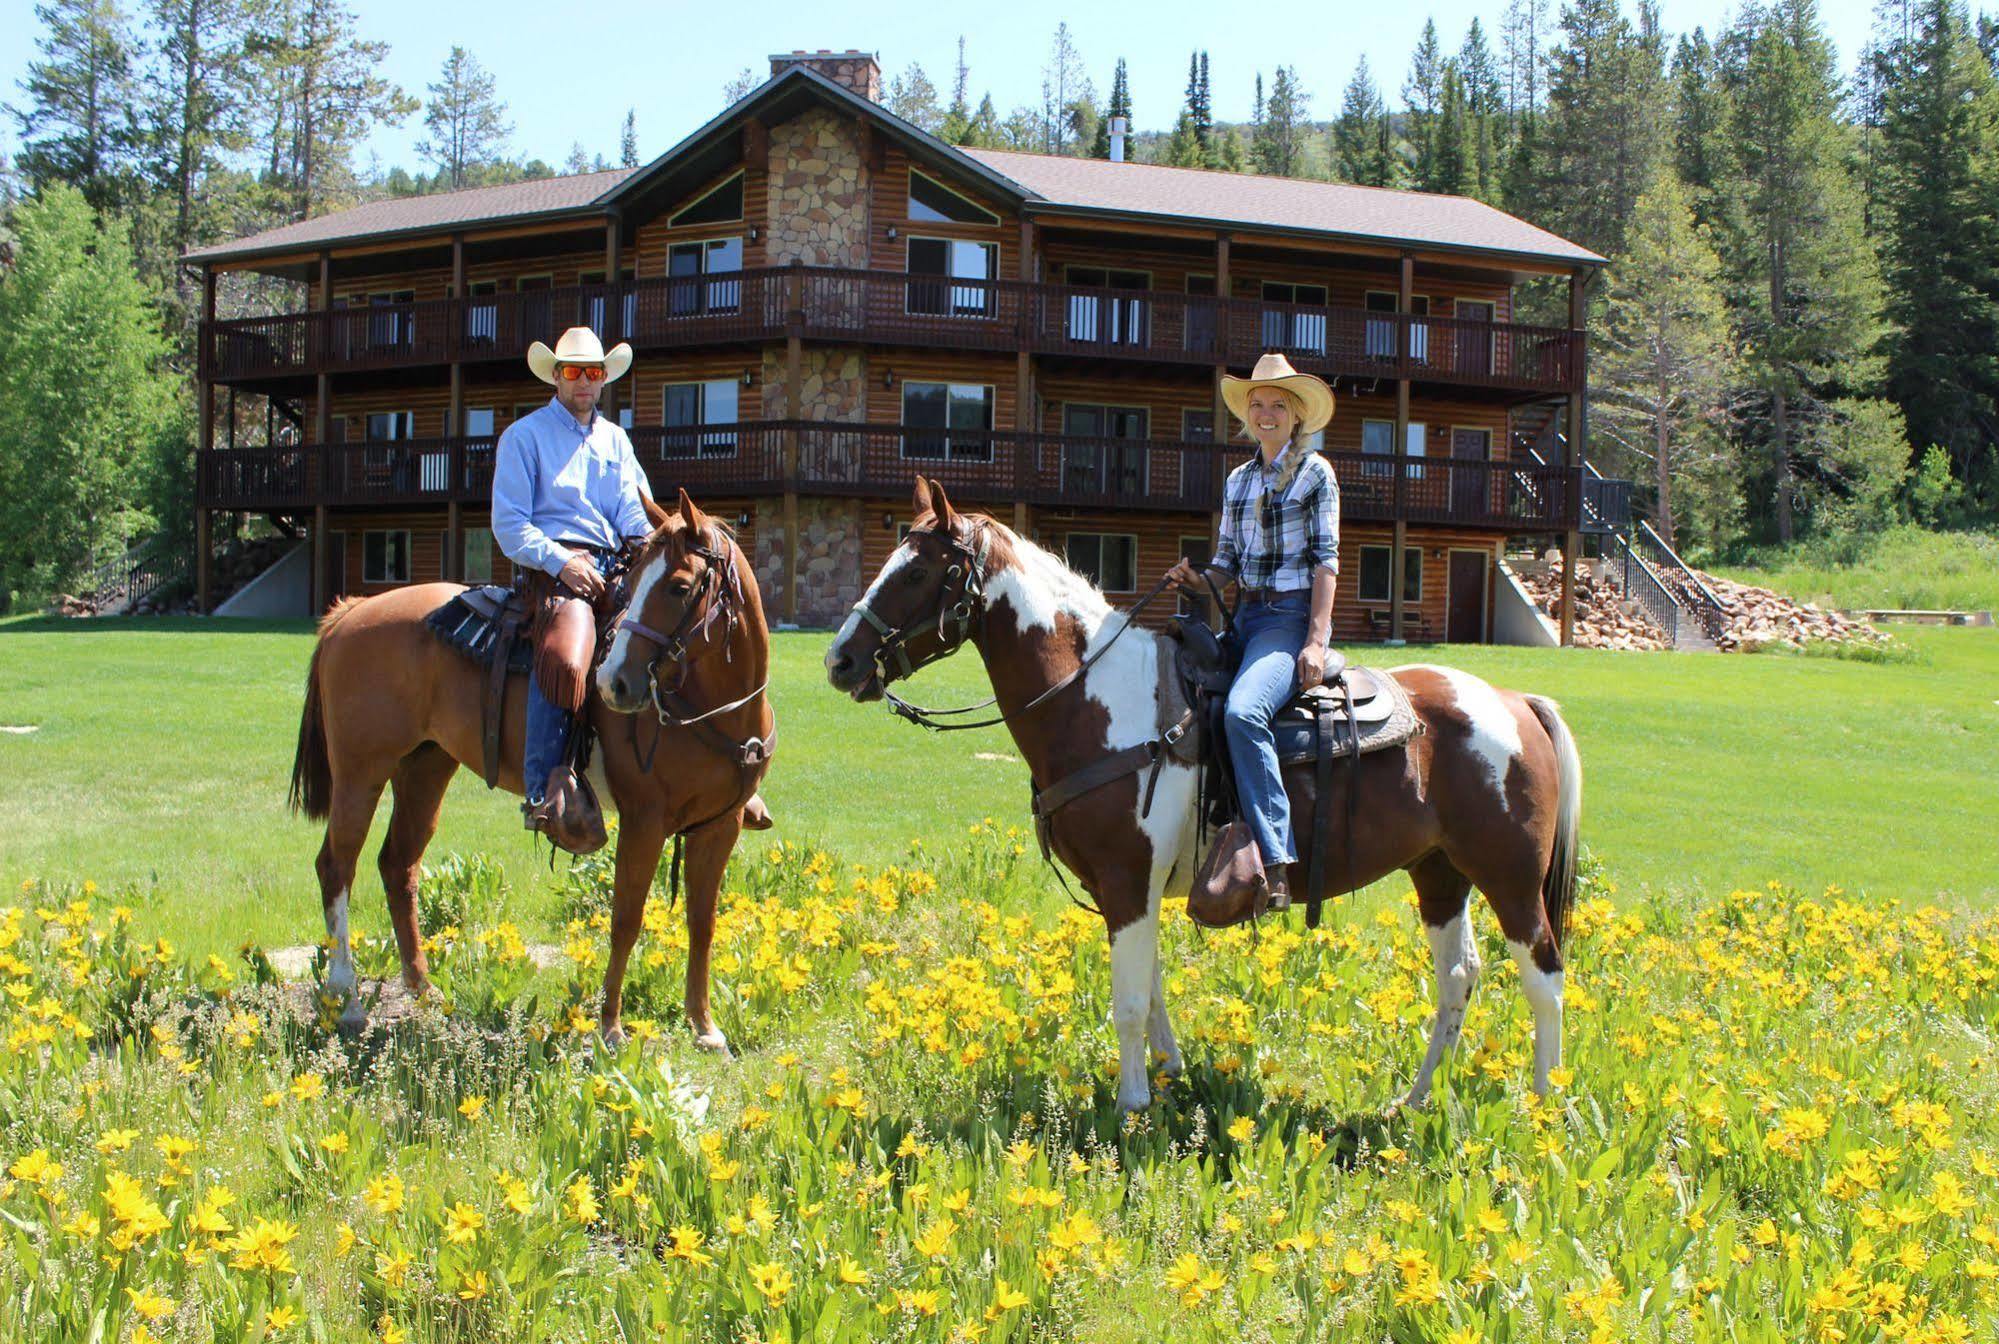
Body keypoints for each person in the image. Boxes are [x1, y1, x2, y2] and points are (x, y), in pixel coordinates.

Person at [492, 326, 771, 849]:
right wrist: (561, 563)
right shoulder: (524, 437)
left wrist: (654, 551)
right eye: (573, 372)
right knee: (568, 652)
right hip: (555, 567)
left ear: (603, 380)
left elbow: (630, 508)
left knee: (673, 630)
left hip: (618, 561)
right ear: (555, 375)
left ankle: (719, 772)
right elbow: (510, 524)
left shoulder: (614, 439)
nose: (583, 382)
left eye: (592, 373)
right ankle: (543, 789)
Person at [1166, 352, 1340, 927]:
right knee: (1178, 692)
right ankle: (1205, 832)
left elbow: (1325, 564)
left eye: (1277, 406)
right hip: (1243, 620)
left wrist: (1314, 641)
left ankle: (1276, 856)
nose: (1265, 414)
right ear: (1248, 416)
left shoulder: (1315, 474)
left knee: (1243, 712)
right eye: (1257, 405)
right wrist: (1197, 581)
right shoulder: (1238, 481)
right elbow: (1225, 567)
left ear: (1295, 416)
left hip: (1288, 621)